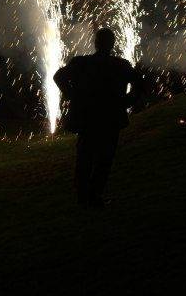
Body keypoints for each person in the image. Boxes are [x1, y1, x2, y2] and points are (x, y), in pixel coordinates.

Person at [54, 28, 141, 208]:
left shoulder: (81, 63)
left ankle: (83, 197)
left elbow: (59, 76)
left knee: (85, 158)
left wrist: (71, 95)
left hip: (88, 119)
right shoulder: (121, 65)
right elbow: (140, 85)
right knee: (104, 159)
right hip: (111, 119)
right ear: (112, 44)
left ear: (95, 43)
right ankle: (94, 196)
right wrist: (126, 102)